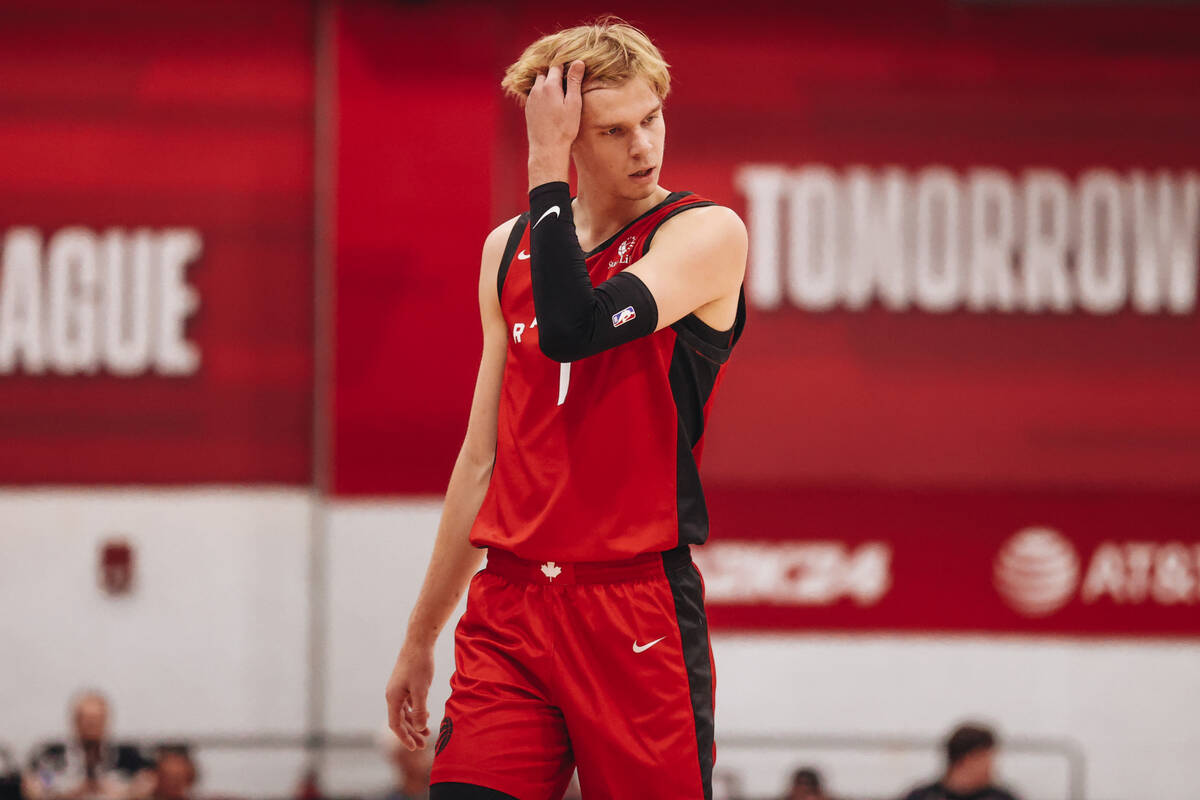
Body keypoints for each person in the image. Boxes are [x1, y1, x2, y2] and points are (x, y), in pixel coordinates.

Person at [384, 17, 747, 800]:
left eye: (651, 119)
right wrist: (422, 635)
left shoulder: (704, 234)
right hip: (511, 610)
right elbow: (482, 457)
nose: (644, 147)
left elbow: (573, 328)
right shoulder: (503, 250)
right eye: (614, 130)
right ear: (573, 136)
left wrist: (544, 162)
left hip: (634, 609)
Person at [23, 690, 153, 800]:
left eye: (97, 720)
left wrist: (120, 792)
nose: (91, 726)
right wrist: (67, 794)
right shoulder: (53, 757)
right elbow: (37, 786)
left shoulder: (127, 756)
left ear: (107, 720)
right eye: (86, 719)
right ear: (74, 721)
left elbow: (146, 782)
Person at [899, 723, 1022, 800]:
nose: (992, 766)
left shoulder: (1001, 797)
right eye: (987, 758)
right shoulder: (922, 796)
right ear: (967, 759)